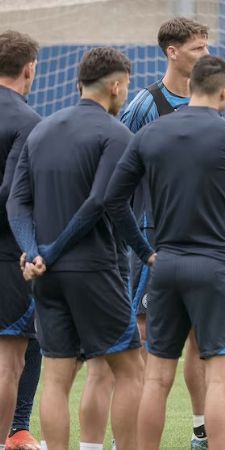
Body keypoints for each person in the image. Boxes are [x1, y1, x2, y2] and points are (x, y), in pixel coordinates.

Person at [104, 54, 225, 450]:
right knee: (222, 383)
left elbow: (113, 200)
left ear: (189, 87)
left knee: (155, 379)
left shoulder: (150, 134)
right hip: (218, 268)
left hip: (166, 265)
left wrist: (144, 250)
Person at [6, 47, 143, 450]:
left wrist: (34, 253)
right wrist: (50, 251)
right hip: (94, 271)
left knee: (56, 377)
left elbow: (17, 202)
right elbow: (102, 202)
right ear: (117, 86)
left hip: (45, 278)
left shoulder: (42, 129)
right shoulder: (118, 134)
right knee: (131, 369)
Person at [118, 17, 225, 450]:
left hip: (203, 242)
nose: (206, 54)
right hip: (153, 241)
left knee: (201, 342)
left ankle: (202, 434)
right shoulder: (144, 105)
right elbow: (117, 174)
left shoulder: (213, 103)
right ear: (173, 52)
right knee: (147, 342)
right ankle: (128, 439)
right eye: (198, 48)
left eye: (206, 47)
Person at [0, 30, 42, 450]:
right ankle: (10, 435)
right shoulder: (27, 121)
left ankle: (21, 431)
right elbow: (13, 195)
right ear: (29, 68)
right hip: (7, 253)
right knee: (10, 357)